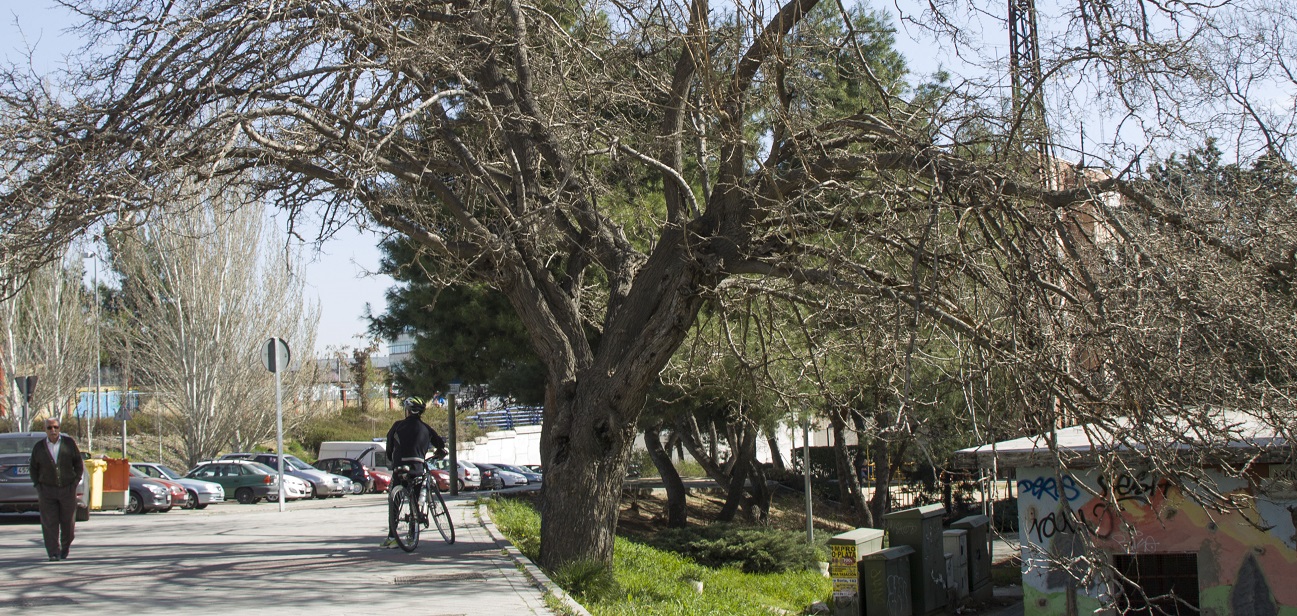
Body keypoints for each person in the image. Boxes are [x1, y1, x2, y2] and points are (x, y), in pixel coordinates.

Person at [381, 397, 447, 548]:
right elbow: (440, 444)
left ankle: (392, 536)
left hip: (399, 468)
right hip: (417, 468)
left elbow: (389, 445)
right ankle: (413, 533)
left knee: (395, 500)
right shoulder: (426, 428)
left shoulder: (398, 426)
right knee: (415, 500)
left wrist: (392, 458)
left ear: (407, 411)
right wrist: (440, 452)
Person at [29, 418, 85, 562]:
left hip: (67, 489)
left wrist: (74, 483)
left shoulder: (68, 443)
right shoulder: (39, 447)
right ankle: (53, 552)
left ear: (59, 428)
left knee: (68, 523)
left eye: (55, 427)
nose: (53, 430)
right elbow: (33, 468)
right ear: (45, 430)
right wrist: (38, 486)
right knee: (49, 523)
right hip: (47, 490)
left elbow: (78, 464)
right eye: (49, 428)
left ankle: (65, 547)